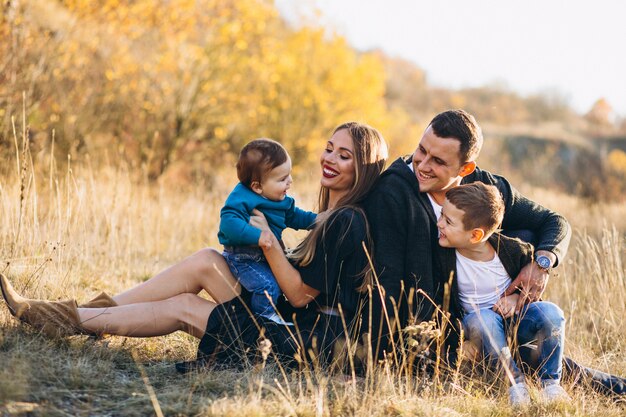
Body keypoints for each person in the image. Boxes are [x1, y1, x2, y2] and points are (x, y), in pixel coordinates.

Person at [0, 121, 388, 371]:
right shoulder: (328, 212)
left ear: (364, 167)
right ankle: (78, 314)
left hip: (295, 340)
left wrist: (268, 243)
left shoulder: (347, 220)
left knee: (184, 307)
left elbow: (302, 296)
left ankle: (60, 320)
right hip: (278, 313)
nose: (329, 159)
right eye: (329, 147)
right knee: (207, 259)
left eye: (344, 155)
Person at [361, 109, 571, 362]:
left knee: (525, 234)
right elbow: (390, 283)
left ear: (466, 168)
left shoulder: (484, 188)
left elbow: (554, 221)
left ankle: (521, 345)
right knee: (563, 370)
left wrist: (541, 264)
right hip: (443, 327)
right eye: (421, 150)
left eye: (438, 161)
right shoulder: (393, 194)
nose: (423, 165)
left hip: (500, 314)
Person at [437, 183, 569, 406]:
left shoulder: (513, 250)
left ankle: (550, 383)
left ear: (476, 234)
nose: (438, 223)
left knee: (551, 313)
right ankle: (514, 384)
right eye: (442, 215)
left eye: (448, 222)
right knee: (483, 319)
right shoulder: (444, 257)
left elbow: (530, 290)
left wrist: (516, 298)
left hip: (517, 325)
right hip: (481, 332)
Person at [219, 138, 316, 322]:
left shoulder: (280, 199)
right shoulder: (241, 197)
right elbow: (228, 224)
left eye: (289, 175)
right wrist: (258, 236)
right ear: (257, 186)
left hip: (262, 258)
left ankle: (266, 313)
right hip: (243, 258)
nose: (290, 181)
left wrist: (317, 220)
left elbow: (295, 216)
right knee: (267, 287)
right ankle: (266, 319)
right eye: (282, 179)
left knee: (279, 285)